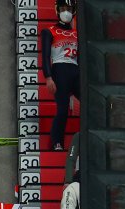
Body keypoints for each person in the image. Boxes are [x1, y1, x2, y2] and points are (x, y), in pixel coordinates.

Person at [42, 0, 79, 151]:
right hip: (60, 70)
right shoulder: (49, 31)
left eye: (69, 9)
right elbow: (45, 56)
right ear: (57, 10)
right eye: (63, 9)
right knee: (62, 110)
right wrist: (48, 77)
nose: (66, 12)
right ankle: (56, 142)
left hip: (76, 70)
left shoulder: (77, 33)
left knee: (92, 104)